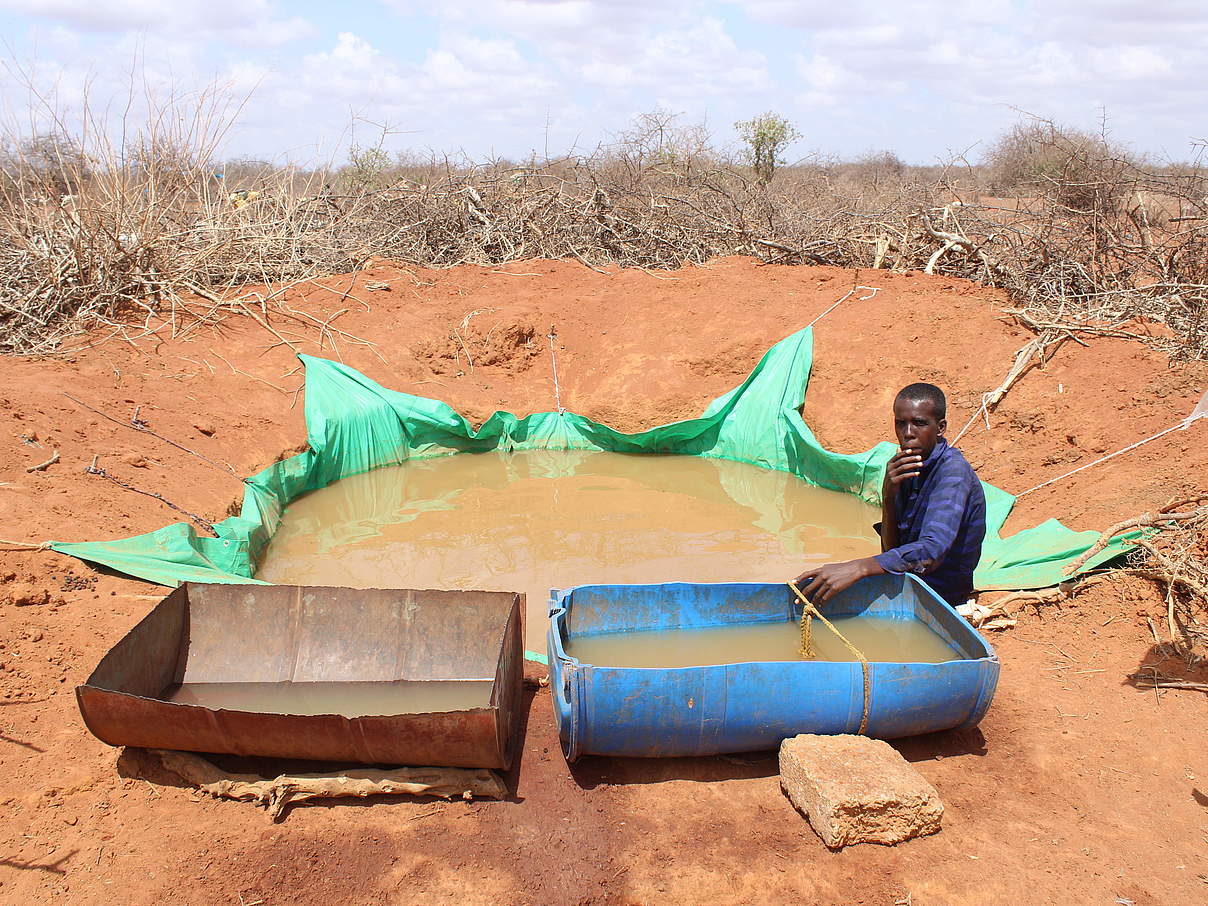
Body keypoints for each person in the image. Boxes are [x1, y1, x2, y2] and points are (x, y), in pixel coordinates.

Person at [793, 382, 986, 607]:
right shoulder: (907, 466)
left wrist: (859, 567)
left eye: (919, 424)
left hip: (941, 594)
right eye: (900, 424)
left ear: (940, 427)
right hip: (909, 579)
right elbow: (891, 551)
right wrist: (889, 494)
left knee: (845, 583)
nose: (908, 434)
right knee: (819, 589)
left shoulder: (952, 472)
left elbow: (930, 552)